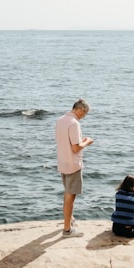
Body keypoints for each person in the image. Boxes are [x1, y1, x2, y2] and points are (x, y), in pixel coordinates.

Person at [55, 99, 94, 237]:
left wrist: (80, 142)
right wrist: (87, 142)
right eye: (85, 113)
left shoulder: (61, 120)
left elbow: (66, 142)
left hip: (62, 161)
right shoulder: (74, 123)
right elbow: (76, 148)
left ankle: (69, 219)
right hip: (73, 164)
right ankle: (67, 230)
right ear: (80, 110)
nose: (84, 116)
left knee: (67, 193)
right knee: (70, 196)